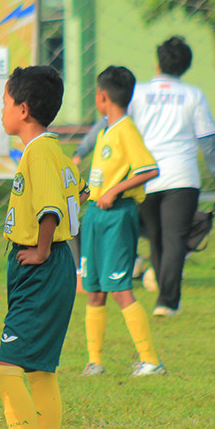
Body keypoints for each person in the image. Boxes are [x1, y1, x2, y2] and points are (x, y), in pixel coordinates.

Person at [0, 65, 87, 429]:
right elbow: (79, 193)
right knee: (40, 371)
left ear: (23, 110)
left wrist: (44, 248)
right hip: (51, 265)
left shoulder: (39, 154)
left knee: (6, 370)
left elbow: (51, 207)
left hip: (42, 266)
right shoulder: (54, 151)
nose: (3, 110)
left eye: (6, 103)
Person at [129, 37, 215, 317]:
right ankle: (167, 302)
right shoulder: (193, 95)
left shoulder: (137, 93)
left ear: (157, 63)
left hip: (145, 177)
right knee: (175, 239)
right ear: (186, 66)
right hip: (182, 178)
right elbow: (207, 142)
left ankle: (161, 289)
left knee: (156, 238)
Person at [79, 66, 165, 378]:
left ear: (102, 97)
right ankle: (94, 363)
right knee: (93, 290)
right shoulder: (105, 130)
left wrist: (114, 191)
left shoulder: (127, 129)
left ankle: (151, 361)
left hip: (117, 216)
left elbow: (150, 169)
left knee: (119, 289)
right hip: (95, 215)